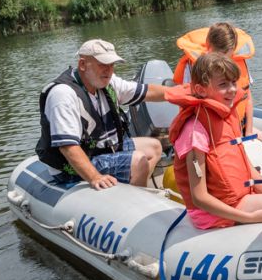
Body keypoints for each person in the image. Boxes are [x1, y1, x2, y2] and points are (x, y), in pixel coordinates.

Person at [167, 52, 262, 227]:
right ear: (201, 90)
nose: (232, 89)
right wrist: (249, 217)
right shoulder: (195, 132)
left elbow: (246, 167)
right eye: (223, 84)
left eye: (233, 82)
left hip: (239, 198)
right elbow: (199, 197)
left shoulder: (223, 117)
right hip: (214, 212)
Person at [36, 39, 169, 190]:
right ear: (82, 64)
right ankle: (135, 204)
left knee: (155, 147)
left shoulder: (107, 83)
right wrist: (95, 177)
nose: (109, 70)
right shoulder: (63, 94)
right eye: (102, 64)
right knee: (139, 161)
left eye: (111, 64)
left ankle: (132, 189)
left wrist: (181, 93)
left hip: (100, 149)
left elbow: (147, 91)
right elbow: (68, 148)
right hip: (70, 166)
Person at [172, 22, 256, 134]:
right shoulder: (193, 66)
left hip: (239, 126)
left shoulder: (238, 60)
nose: (224, 61)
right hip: (209, 131)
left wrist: (248, 132)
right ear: (209, 47)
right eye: (219, 56)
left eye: (229, 57)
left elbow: (247, 97)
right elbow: (185, 104)